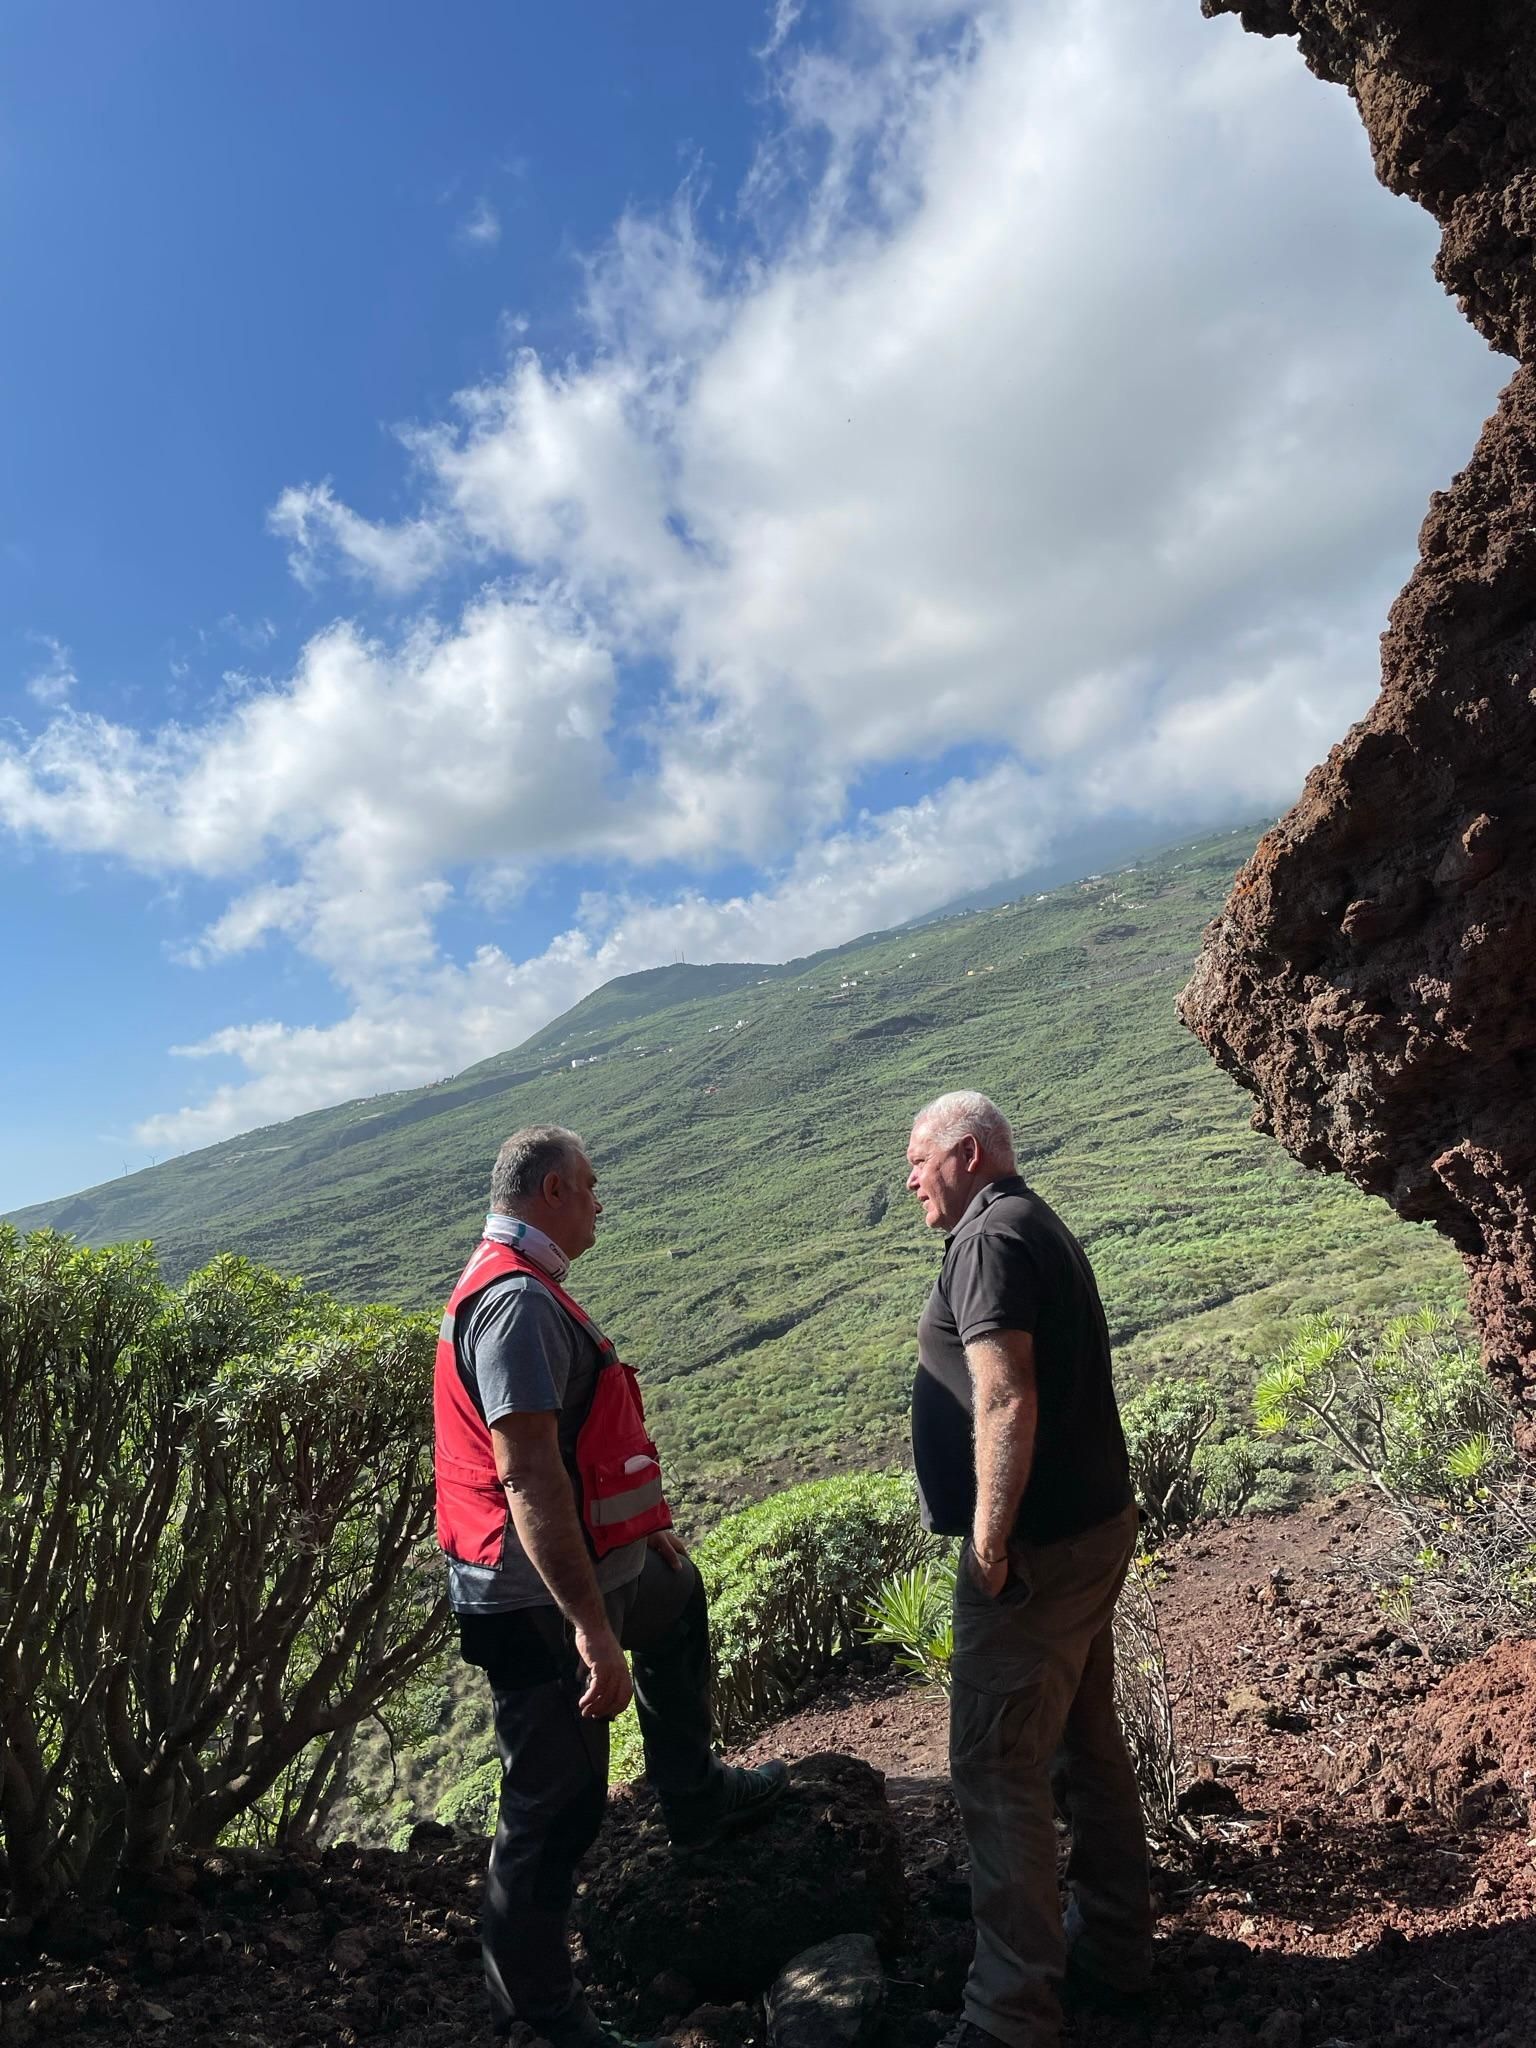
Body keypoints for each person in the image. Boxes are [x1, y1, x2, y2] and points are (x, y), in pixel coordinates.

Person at [435, 1124, 786, 2048]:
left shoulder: (531, 1286)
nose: (600, 1199)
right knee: (556, 1806)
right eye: (589, 1185)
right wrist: (588, 1628)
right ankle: (538, 2011)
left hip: (603, 1572)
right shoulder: (514, 1304)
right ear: (551, 1189)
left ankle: (695, 1796)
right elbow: (531, 1478)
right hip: (535, 1600)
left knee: (682, 1606)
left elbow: (587, 1446)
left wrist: (642, 1527)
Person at [904, 1090, 1152, 2048]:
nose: (913, 1182)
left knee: (996, 1767)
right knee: (1087, 1747)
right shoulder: (1032, 1219)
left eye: (920, 1163)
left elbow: (1004, 1396)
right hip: (1090, 1530)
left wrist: (989, 1540)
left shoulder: (987, 1241)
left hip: (1036, 1556)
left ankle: (1010, 2015)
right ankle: (1116, 1953)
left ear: (967, 1153)